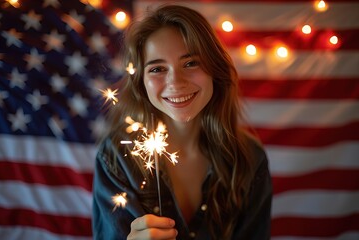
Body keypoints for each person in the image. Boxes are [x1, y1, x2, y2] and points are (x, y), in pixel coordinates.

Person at [92, 4, 272, 240]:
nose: (175, 82)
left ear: (214, 70)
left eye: (190, 63)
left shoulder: (249, 159)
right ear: (141, 83)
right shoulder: (116, 158)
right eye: (157, 68)